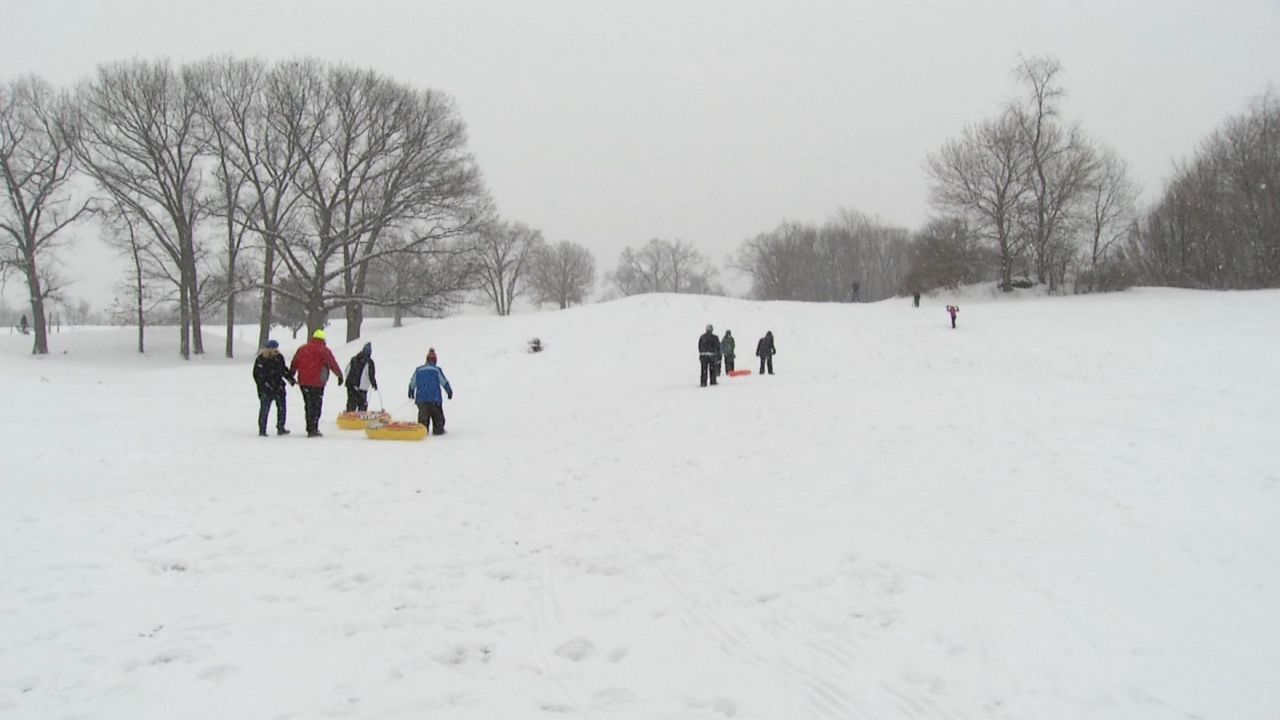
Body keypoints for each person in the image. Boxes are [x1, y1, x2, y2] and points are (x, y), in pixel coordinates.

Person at [289, 328, 343, 437]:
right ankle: (314, 427)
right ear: (323, 339)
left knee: (308, 404)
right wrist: (339, 375)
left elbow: (295, 362)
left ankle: (310, 427)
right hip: (318, 382)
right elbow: (332, 363)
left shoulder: (302, 349)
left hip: (303, 382)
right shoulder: (324, 350)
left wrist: (291, 375)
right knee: (316, 405)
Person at [252, 339, 296, 436]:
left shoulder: (273, 358)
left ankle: (271, 428)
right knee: (271, 408)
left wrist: (290, 379)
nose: (275, 351)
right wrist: (264, 385)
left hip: (275, 387)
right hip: (271, 388)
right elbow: (257, 375)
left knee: (275, 408)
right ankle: (271, 428)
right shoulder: (264, 359)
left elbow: (283, 370)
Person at [409, 347, 453, 435]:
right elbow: (444, 382)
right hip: (434, 399)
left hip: (421, 399)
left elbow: (412, 383)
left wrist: (411, 391)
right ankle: (438, 430)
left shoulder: (419, 370)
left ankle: (422, 431)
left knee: (423, 420)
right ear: (435, 360)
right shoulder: (436, 370)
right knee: (438, 419)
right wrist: (449, 391)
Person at [344, 342, 378, 412]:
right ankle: (360, 418)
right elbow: (371, 375)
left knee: (351, 402)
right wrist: (374, 384)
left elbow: (346, 370)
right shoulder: (369, 362)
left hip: (351, 385)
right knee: (362, 403)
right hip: (362, 387)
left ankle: (349, 416)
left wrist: (349, 382)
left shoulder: (354, 359)